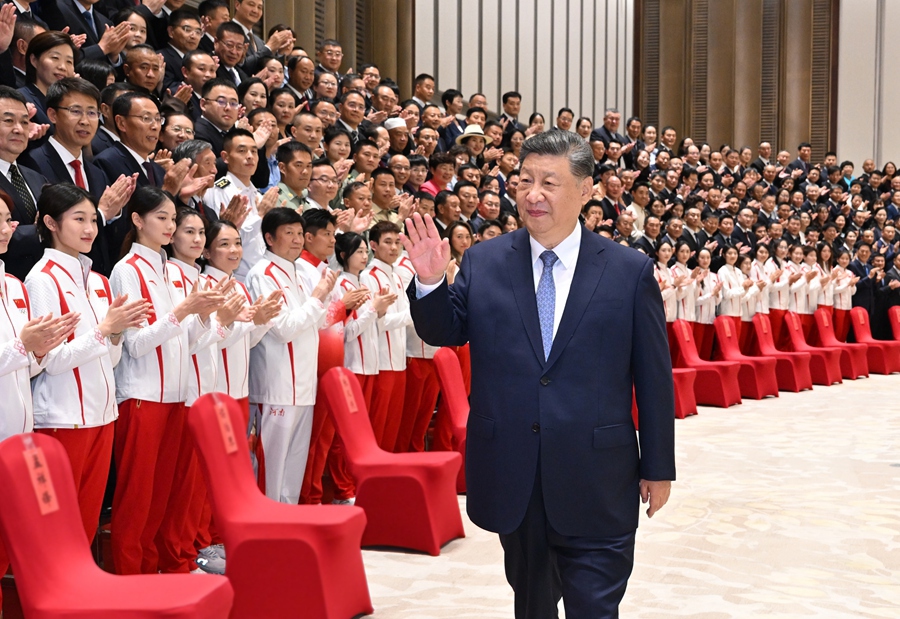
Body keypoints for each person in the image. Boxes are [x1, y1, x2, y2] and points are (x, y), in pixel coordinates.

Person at [402, 130, 675, 618]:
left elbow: (653, 377)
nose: (533, 194)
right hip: (516, 474)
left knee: (595, 606)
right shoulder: (485, 262)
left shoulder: (627, 270)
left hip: (599, 477)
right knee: (532, 607)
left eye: (549, 182)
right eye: (524, 180)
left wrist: (658, 465)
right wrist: (428, 281)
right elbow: (447, 330)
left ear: (586, 190)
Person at [109, 186, 226, 575]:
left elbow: (189, 341)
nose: (170, 225)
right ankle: (129, 580)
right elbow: (137, 346)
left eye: (172, 219)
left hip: (176, 396)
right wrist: (183, 311)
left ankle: (155, 572)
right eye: (162, 218)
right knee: (137, 499)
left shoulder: (169, 270)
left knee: (161, 497)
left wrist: (205, 315)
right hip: (142, 396)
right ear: (138, 220)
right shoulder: (127, 270)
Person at [26, 183, 149, 545]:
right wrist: (105, 330)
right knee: (58, 525)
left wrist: (113, 336)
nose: (89, 229)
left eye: (94, 219)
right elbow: (51, 361)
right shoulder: (41, 279)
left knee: (87, 519)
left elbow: (111, 358)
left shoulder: (96, 279)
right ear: (51, 222)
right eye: (78, 219)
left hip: (102, 414)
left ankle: (82, 595)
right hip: (63, 418)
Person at [0, 188, 80, 613]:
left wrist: (35, 351)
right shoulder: (34, 279)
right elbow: (17, 353)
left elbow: (29, 366)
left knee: (13, 545)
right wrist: (23, 347)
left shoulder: (13, 283)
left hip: (19, 432)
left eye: (8, 219)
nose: (7, 228)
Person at [246, 207, 336, 504]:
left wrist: (319, 300)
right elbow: (283, 329)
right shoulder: (262, 273)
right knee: (271, 466)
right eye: (289, 233)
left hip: (304, 385)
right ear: (269, 238)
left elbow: (317, 322)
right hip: (277, 385)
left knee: (295, 463)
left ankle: (289, 522)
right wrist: (316, 299)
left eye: (300, 233)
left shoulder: (298, 271)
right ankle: (266, 526)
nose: (297, 240)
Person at [360, 221, 412, 452]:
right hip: (380, 362)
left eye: (397, 243)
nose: (393, 248)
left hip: (399, 361)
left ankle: (389, 474)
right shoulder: (368, 276)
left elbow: (396, 319)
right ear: (373, 245)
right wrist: (412, 316)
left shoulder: (397, 276)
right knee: (377, 424)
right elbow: (378, 322)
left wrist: (408, 317)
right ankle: (374, 477)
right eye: (387, 242)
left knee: (393, 423)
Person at [693, 247, 721, 360]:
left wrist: (717, 294)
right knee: (697, 351)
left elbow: (718, 302)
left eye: (708, 257)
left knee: (707, 351)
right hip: (698, 319)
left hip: (711, 319)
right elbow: (695, 301)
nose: (705, 260)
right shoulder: (694, 275)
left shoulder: (715, 276)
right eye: (702, 257)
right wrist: (711, 294)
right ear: (697, 259)